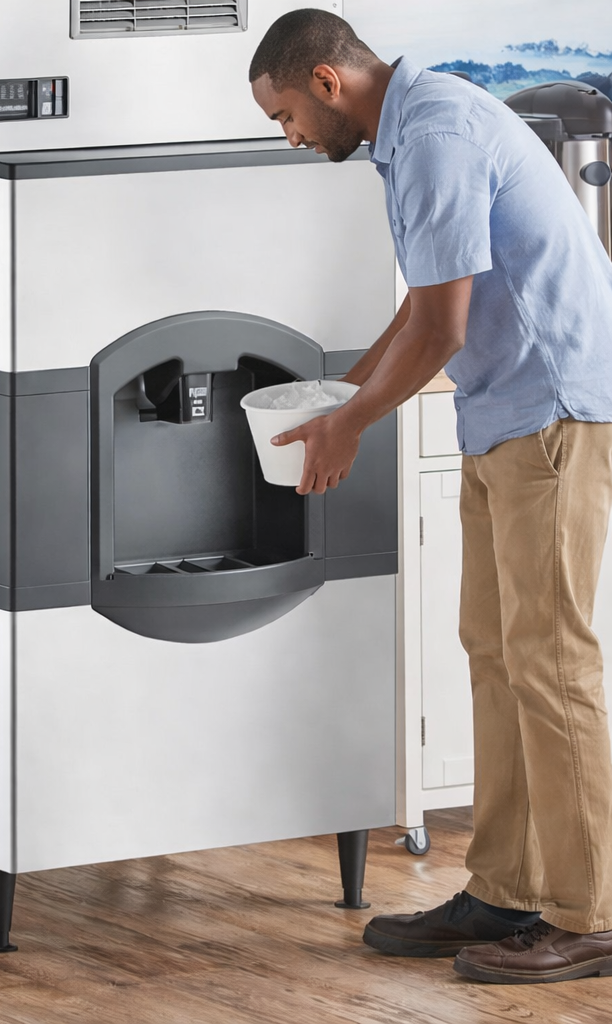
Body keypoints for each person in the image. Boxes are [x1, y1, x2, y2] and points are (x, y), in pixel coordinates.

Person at [248, 9, 612, 985]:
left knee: (552, 659)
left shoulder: (437, 132)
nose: (287, 135)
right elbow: (421, 304)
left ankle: (594, 912)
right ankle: (506, 887)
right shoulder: (407, 133)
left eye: (284, 113)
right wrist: (338, 398)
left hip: (554, 410)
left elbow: (444, 329)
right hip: (504, 415)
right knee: (494, 653)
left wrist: (350, 423)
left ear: (325, 82)